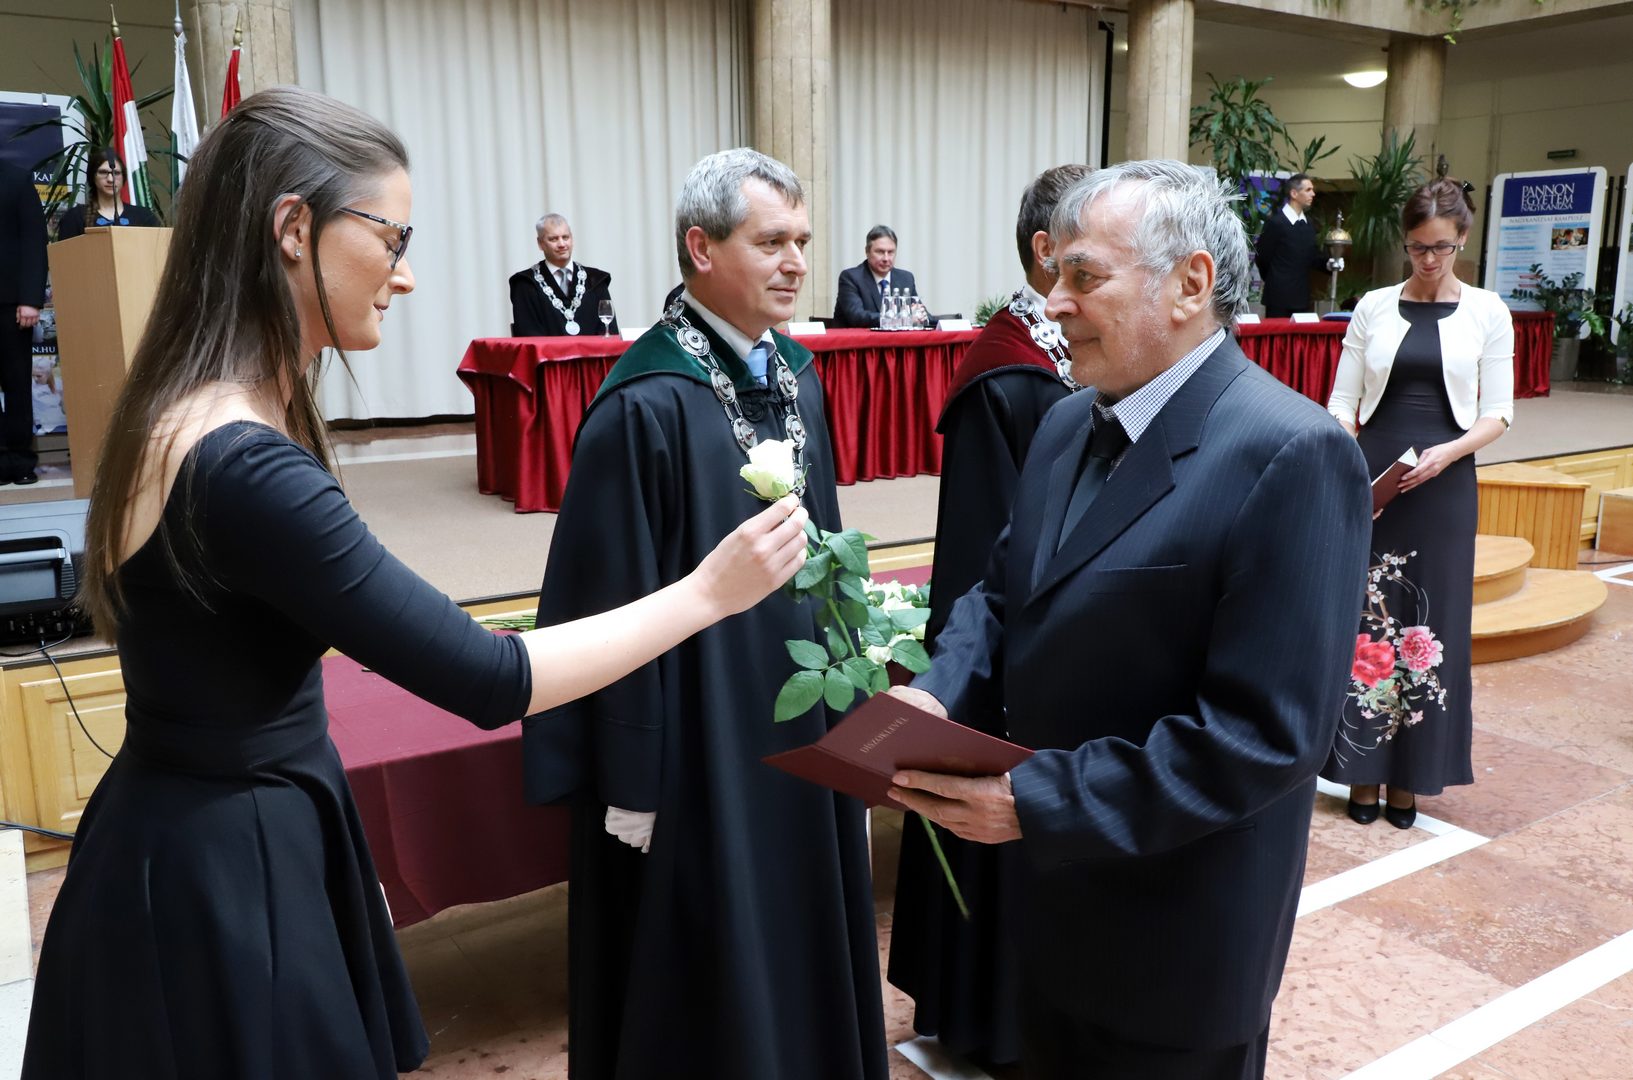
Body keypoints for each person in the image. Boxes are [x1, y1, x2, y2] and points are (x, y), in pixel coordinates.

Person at [20, 87, 810, 1080]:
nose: (405, 273)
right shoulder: (243, 461)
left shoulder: (189, 405)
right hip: (227, 871)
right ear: (294, 229)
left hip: (185, 826)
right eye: (391, 239)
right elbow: (489, 677)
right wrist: (707, 593)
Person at [887, 160, 1371, 1080]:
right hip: (1045, 915)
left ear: (1189, 284)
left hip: (1175, 941)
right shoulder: (1066, 424)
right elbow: (1002, 594)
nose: (1053, 302)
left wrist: (1036, 802)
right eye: (1055, 274)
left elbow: (1264, 737)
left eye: (1084, 276)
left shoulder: (1290, 452)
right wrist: (936, 695)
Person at [524, 148, 888, 1080]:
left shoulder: (797, 376)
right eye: (770, 242)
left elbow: (827, 551)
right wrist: (630, 778)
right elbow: (601, 602)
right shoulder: (643, 405)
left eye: (802, 240)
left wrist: (852, 720)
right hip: (698, 739)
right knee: (711, 959)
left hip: (801, 716)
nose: (796, 263)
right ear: (700, 247)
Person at [887, 162, 1089, 1068]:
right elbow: (980, 559)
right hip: (1013, 661)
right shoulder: (1004, 378)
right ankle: (981, 1023)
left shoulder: (1078, 362)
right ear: (1046, 252)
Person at [1323, 178, 1512, 829]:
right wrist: (1350, 462)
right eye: (1416, 247)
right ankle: (1361, 770)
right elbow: (1341, 401)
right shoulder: (1373, 306)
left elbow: (1499, 413)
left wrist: (1448, 453)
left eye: (1440, 248)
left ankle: (1410, 778)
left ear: (1461, 240)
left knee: (1431, 625)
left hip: (1444, 483)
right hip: (1374, 475)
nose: (1428, 260)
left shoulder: (1488, 310)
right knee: (1365, 621)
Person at [0, 161, 47, 484]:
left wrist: (30, 298)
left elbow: (34, 241)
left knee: (17, 383)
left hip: (12, 304)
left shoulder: (16, 178)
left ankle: (21, 461)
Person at [508, 212, 619, 336]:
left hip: (593, 349)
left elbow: (609, 331)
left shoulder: (596, 281)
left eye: (565, 237)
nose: (561, 244)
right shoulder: (525, 284)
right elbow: (529, 335)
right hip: (547, 349)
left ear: (572, 239)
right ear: (540, 243)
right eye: (553, 239)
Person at [1253, 173, 1339, 318]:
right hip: (1278, 299)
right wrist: (1276, 279)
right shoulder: (1276, 223)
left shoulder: (1308, 225)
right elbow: (1262, 257)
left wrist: (1331, 264)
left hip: (1302, 298)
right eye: (1308, 190)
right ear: (1294, 193)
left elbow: (1313, 257)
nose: (1313, 194)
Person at [54, 146, 161, 240]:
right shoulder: (75, 218)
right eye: (103, 172)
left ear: (123, 177)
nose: (110, 179)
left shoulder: (144, 216)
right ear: (93, 177)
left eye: (116, 173)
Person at [835, 224, 922, 327]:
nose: (886, 258)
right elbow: (857, 317)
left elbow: (921, 313)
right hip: (860, 337)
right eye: (880, 252)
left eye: (890, 252)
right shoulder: (851, 278)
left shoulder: (905, 278)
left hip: (897, 337)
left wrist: (922, 316)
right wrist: (898, 319)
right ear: (867, 252)